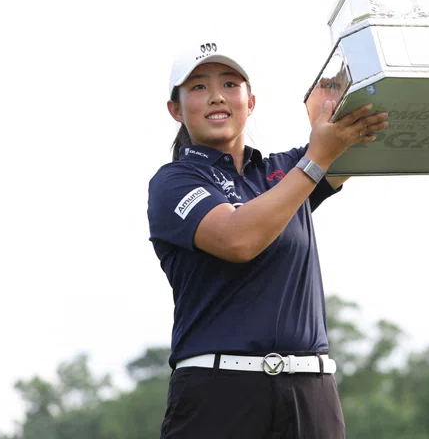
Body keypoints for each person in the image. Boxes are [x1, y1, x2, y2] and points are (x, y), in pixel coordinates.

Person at [146, 41, 389, 437]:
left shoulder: (285, 171)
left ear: (250, 101)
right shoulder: (173, 183)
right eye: (198, 87)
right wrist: (315, 160)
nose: (216, 96)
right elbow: (238, 239)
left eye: (229, 83)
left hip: (311, 394)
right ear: (176, 109)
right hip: (219, 394)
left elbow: (376, 116)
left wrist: (368, 11)